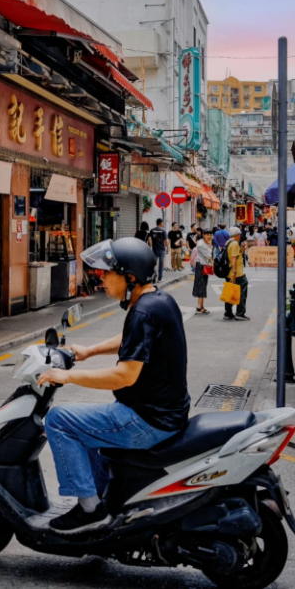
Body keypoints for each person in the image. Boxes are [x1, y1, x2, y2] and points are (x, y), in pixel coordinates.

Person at [39, 238, 190, 533]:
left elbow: (125, 376)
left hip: (147, 420)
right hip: (164, 413)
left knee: (59, 420)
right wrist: (90, 351)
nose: (101, 279)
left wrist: (67, 376)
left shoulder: (143, 312)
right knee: (83, 424)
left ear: (129, 277)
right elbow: (132, 341)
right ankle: (102, 494)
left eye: (107, 273)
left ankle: (89, 509)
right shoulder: (158, 300)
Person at [224, 226, 249, 321]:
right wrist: (234, 272)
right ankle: (240, 313)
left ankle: (228, 313)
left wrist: (242, 248)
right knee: (242, 292)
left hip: (229, 272)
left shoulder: (228, 242)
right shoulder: (234, 244)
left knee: (230, 292)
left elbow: (238, 255)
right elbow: (233, 259)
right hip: (237, 273)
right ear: (238, 235)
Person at [192, 229, 213, 314]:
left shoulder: (204, 242)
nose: (209, 236)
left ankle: (201, 306)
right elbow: (208, 255)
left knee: (203, 286)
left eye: (210, 235)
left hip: (203, 265)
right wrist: (210, 246)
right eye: (207, 235)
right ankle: (199, 307)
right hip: (201, 266)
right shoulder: (201, 244)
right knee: (201, 286)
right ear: (203, 235)